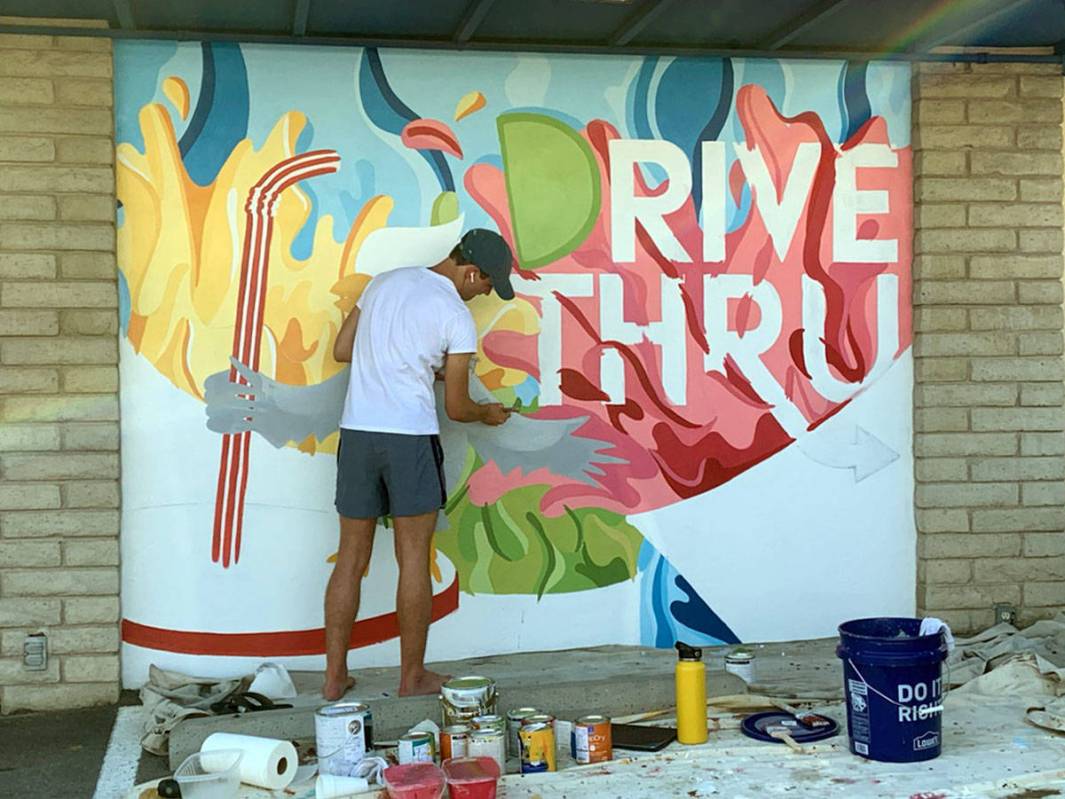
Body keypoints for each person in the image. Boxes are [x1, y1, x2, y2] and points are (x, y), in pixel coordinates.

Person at [324, 228, 515, 699]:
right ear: (470, 271)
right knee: (413, 559)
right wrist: (487, 413)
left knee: (351, 557)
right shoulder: (454, 314)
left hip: (359, 433)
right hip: (408, 438)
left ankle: (333, 679)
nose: (485, 293)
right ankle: (412, 677)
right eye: (488, 284)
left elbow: (343, 350)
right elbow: (457, 407)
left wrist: (399, 362)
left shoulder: (384, 282)